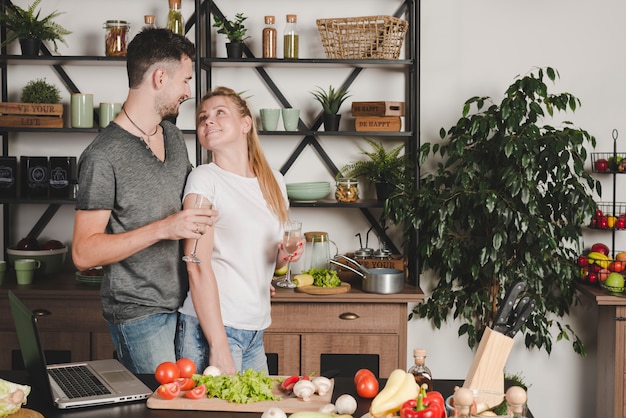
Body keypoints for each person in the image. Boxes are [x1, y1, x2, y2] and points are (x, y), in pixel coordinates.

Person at [72, 28, 215, 374]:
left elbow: (198, 212)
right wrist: (164, 228)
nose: (188, 92)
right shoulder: (102, 156)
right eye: (185, 81)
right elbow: (83, 253)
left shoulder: (172, 136)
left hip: (185, 306)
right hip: (138, 315)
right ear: (160, 77)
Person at [176, 87, 302, 375]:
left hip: (255, 329)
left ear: (246, 124)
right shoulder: (204, 180)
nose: (208, 121)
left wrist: (286, 254)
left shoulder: (274, 182)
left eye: (220, 112)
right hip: (212, 330)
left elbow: (274, 263)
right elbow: (196, 265)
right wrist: (218, 347)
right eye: (203, 117)